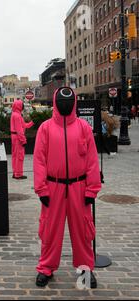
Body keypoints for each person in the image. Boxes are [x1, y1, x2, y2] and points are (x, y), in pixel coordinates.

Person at [33, 87, 101, 288]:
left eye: (69, 102)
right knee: (49, 231)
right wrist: (41, 189)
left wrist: (92, 189)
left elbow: (91, 161)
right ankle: (46, 267)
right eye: (62, 102)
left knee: (82, 231)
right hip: (53, 187)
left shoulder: (83, 128)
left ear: (74, 104)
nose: (65, 105)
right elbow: (38, 160)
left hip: (79, 188)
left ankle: (85, 268)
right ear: (55, 103)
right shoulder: (45, 128)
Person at [10, 99, 34, 179]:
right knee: (20, 156)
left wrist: (32, 123)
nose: (23, 106)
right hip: (17, 138)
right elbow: (19, 130)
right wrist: (23, 140)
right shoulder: (17, 116)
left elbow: (24, 125)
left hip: (14, 137)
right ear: (19, 106)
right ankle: (18, 174)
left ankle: (15, 172)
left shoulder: (15, 114)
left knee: (15, 155)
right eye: (22, 105)